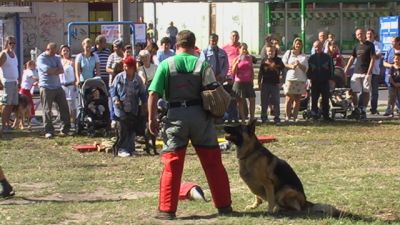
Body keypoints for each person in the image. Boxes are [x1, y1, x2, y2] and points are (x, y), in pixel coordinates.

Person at [148, 30, 232, 220]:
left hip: (175, 117)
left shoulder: (165, 64)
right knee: (213, 162)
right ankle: (224, 206)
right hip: (200, 117)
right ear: (194, 46)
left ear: (176, 45)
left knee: (172, 164)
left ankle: (167, 210)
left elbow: (153, 94)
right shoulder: (203, 64)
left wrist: (151, 119)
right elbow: (214, 91)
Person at [110, 56, 147, 157]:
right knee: (123, 128)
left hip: (133, 107)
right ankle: (121, 149)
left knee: (132, 128)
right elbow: (112, 90)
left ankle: (131, 148)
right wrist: (115, 99)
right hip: (120, 107)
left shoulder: (138, 79)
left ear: (133, 67)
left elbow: (143, 93)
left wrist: (145, 104)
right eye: (124, 66)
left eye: (128, 66)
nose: (125, 68)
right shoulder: (119, 77)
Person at [37, 42, 71, 138]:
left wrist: (53, 71)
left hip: (57, 86)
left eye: (55, 51)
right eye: (51, 51)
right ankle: (49, 131)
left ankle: (65, 129)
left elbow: (61, 70)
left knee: (64, 107)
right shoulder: (41, 58)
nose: (53, 54)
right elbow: (47, 70)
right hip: (46, 86)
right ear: (47, 49)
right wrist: (53, 70)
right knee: (47, 110)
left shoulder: (56, 57)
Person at [344, 28, 375, 120]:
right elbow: (352, 58)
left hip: (366, 72)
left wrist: (369, 72)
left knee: (365, 92)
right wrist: (346, 69)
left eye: (361, 34)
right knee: (353, 91)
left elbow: (373, 59)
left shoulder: (370, 45)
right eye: (357, 34)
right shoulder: (356, 46)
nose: (359, 35)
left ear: (364, 34)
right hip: (356, 72)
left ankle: (363, 110)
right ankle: (356, 109)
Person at [282, 38, 309, 122]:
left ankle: (295, 117)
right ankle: (287, 116)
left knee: (297, 99)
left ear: (302, 46)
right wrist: (291, 66)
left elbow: (306, 69)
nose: (298, 45)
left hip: (300, 79)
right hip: (290, 78)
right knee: (289, 98)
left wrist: (299, 64)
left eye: (300, 44)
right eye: (297, 44)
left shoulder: (304, 56)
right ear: (294, 44)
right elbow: (283, 63)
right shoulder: (288, 53)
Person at [307, 41, 334, 121]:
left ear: (322, 46)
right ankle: (314, 115)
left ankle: (326, 115)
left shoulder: (327, 57)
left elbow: (331, 69)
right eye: (315, 47)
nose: (317, 48)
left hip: (325, 81)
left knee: (325, 99)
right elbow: (309, 70)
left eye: (318, 46)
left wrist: (331, 79)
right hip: (315, 81)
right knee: (314, 99)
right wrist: (309, 79)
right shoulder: (311, 58)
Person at [258, 44, 284, 124]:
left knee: (276, 101)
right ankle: (264, 117)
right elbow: (260, 73)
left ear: (275, 52)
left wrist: (282, 81)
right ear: (266, 52)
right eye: (269, 51)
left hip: (275, 84)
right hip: (265, 83)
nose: (270, 53)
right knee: (264, 101)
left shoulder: (279, 60)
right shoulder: (263, 60)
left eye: (272, 51)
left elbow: (284, 71)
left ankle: (277, 118)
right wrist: (259, 82)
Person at [231, 43, 256, 123]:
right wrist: (236, 63)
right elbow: (233, 72)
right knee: (240, 101)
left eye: (245, 49)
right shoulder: (236, 59)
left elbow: (251, 69)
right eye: (243, 49)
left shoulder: (249, 58)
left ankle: (252, 117)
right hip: (239, 82)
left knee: (252, 99)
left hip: (248, 82)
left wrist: (252, 79)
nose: (244, 50)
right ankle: (243, 119)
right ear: (239, 50)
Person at [0, 36, 19, 132]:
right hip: (7, 82)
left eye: (14, 43)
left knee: (12, 105)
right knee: (6, 105)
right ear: (6, 43)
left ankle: (7, 125)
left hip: (14, 81)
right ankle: (4, 126)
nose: (12, 45)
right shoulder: (3, 54)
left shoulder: (14, 54)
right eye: (10, 43)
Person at [223, 31, 241, 122]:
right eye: (233, 35)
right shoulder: (225, 48)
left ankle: (238, 116)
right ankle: (229, 116)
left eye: (236, 36)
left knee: (238, 97)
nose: (235, 37)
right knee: (229, 97)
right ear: (230, 37)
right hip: (229, 75)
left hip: (240, 76)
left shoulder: (241, 47)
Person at [366, 29, 383, 115]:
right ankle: (362, 109)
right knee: (364, 91)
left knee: (374, 92)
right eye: (367, 33)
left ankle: (373, 109)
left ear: (374, 35)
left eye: (370, 34)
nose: (369, 35)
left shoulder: (378, 44)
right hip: (364, 71)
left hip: (374, 71)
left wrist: (371, 55)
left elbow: (377, 56)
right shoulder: (364, 44)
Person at [59, 45, 77, 125]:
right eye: (64, 50)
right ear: (61, 52)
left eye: (67, 50)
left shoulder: (72, 61)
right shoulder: (59, 61)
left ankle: (74, 121)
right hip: (61, 85)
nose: (65, 52)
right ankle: (65, 121)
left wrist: (76, 82)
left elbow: (76, 73)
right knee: (63, 104)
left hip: (70, 85)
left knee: (72, 104)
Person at [19, 60, 40, 125]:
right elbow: (33, 77)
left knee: (29, 105)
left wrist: (34, 84)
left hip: (26, 90)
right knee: (30, 104)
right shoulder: (28, 71)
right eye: (34, 65)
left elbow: (29, 81)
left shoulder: (29, 71)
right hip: (25, 91)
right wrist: (41, 79)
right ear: (30, 65)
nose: (35, 66)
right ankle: (32, 118)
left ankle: (29, 118)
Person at [383, 37, 400, 116]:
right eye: (391, 42)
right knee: (391, 95)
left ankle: (398, 109)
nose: (392, 44)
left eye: (393, 42)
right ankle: (389, 110)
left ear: (398, 42)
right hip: (391, 76)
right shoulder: (389, 50)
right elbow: (384, 63)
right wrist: (392, 65)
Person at [387, 53, 400, 117]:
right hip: (392, 85)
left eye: (398, 59)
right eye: (395, 59)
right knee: (392, 99)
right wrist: (394, 84)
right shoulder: (392, 67)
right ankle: (391, 111)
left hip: (399, 85)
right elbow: (390, 77)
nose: (396, 60)